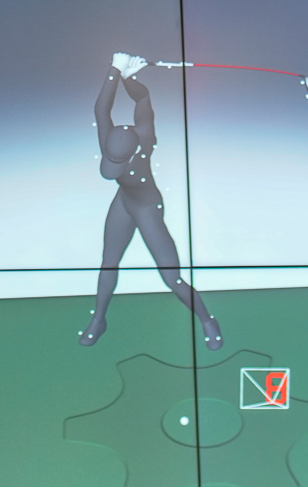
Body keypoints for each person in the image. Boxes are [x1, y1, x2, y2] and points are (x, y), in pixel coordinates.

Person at [79, 53, 222, 351]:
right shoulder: (109, 141)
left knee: (172, 278)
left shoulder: (144, 140)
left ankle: (208, 320)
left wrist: (129, 79)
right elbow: (101, 108)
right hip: (123, 203)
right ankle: (99, 320)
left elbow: (143, 100)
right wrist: (118, 70)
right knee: (108, 264)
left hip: (147, 209)